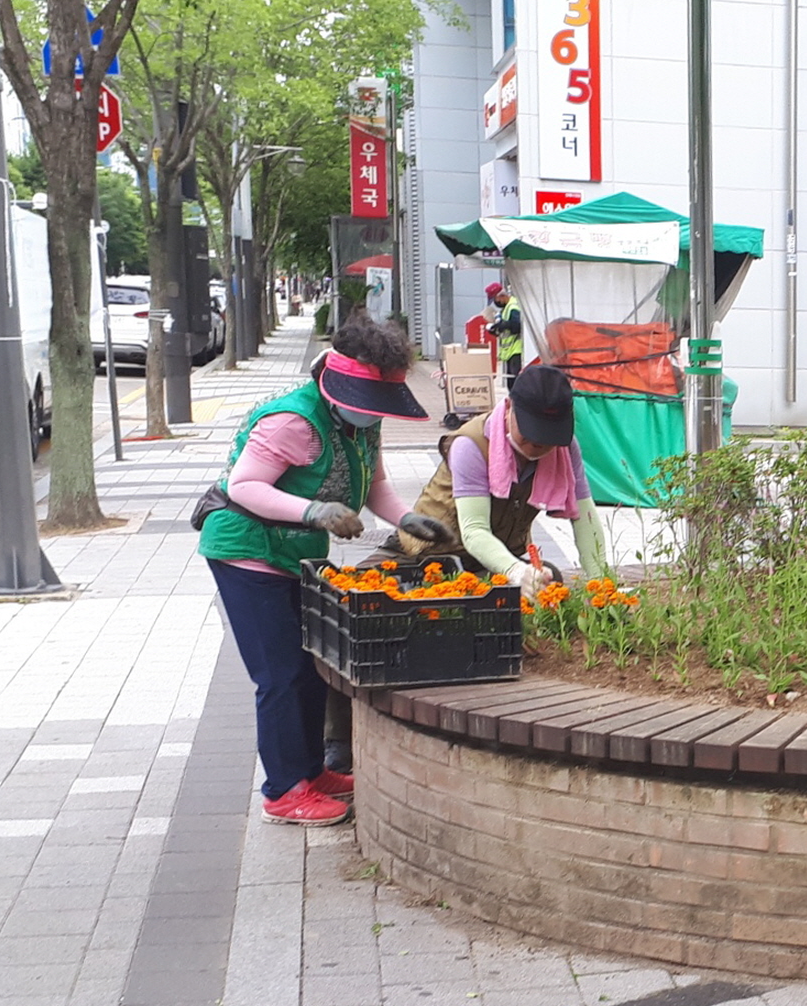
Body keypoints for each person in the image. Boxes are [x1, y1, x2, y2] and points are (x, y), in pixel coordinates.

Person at [197, 317, 448, 826]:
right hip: (247, 551)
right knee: (279, 675)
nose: (375, 413)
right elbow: (245, 485)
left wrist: (405, 519)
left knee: (311, 666)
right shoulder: (292, 421)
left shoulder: (363, 419)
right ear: (336, 384)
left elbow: (374, 483)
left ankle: (312, 771)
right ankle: (284, 790)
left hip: (298, 554)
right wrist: (314, 512)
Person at [395, 363, 609, 584]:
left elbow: (584, 517)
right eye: (531, 430)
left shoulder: (565, 449)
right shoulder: (471, 445)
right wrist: (516, 571)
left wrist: (601, 584)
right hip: (432, 556)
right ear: (508, 408)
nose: (539, 443)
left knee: (547, 580)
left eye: (550, 435)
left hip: (494, 560)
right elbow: (474, 531)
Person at [485, 281, 524, 385]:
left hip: (516, 350)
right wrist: (496, 330)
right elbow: (506, 330)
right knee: (510, 383)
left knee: (515, 383)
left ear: (501, 296)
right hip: (510, 352)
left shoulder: (513, 306)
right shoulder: (505, 309)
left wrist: (503, 325)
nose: (496, 303)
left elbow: (517, 326)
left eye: (495, 300)